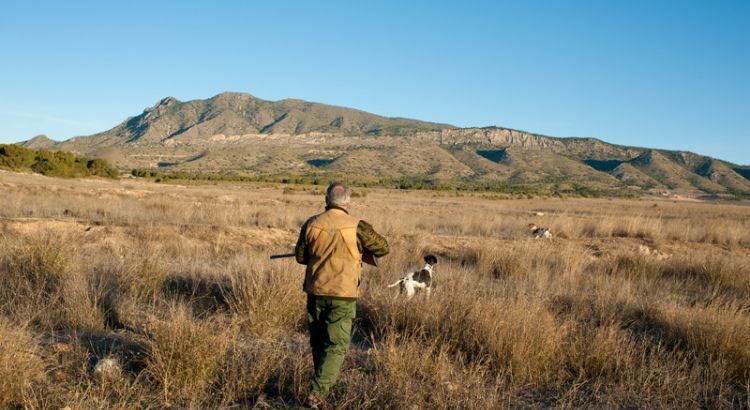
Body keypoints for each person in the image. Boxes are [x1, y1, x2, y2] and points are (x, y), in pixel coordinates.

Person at [295, 182, 389, 408]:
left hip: (315, 292)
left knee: (319, 343)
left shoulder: (311, 223)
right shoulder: (357, 226)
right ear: (348, 202)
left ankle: (321, 389)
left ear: (326, 200)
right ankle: (317, 395)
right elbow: (383, 248)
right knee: (336, 346)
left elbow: (301, 257)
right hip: (343, 294)